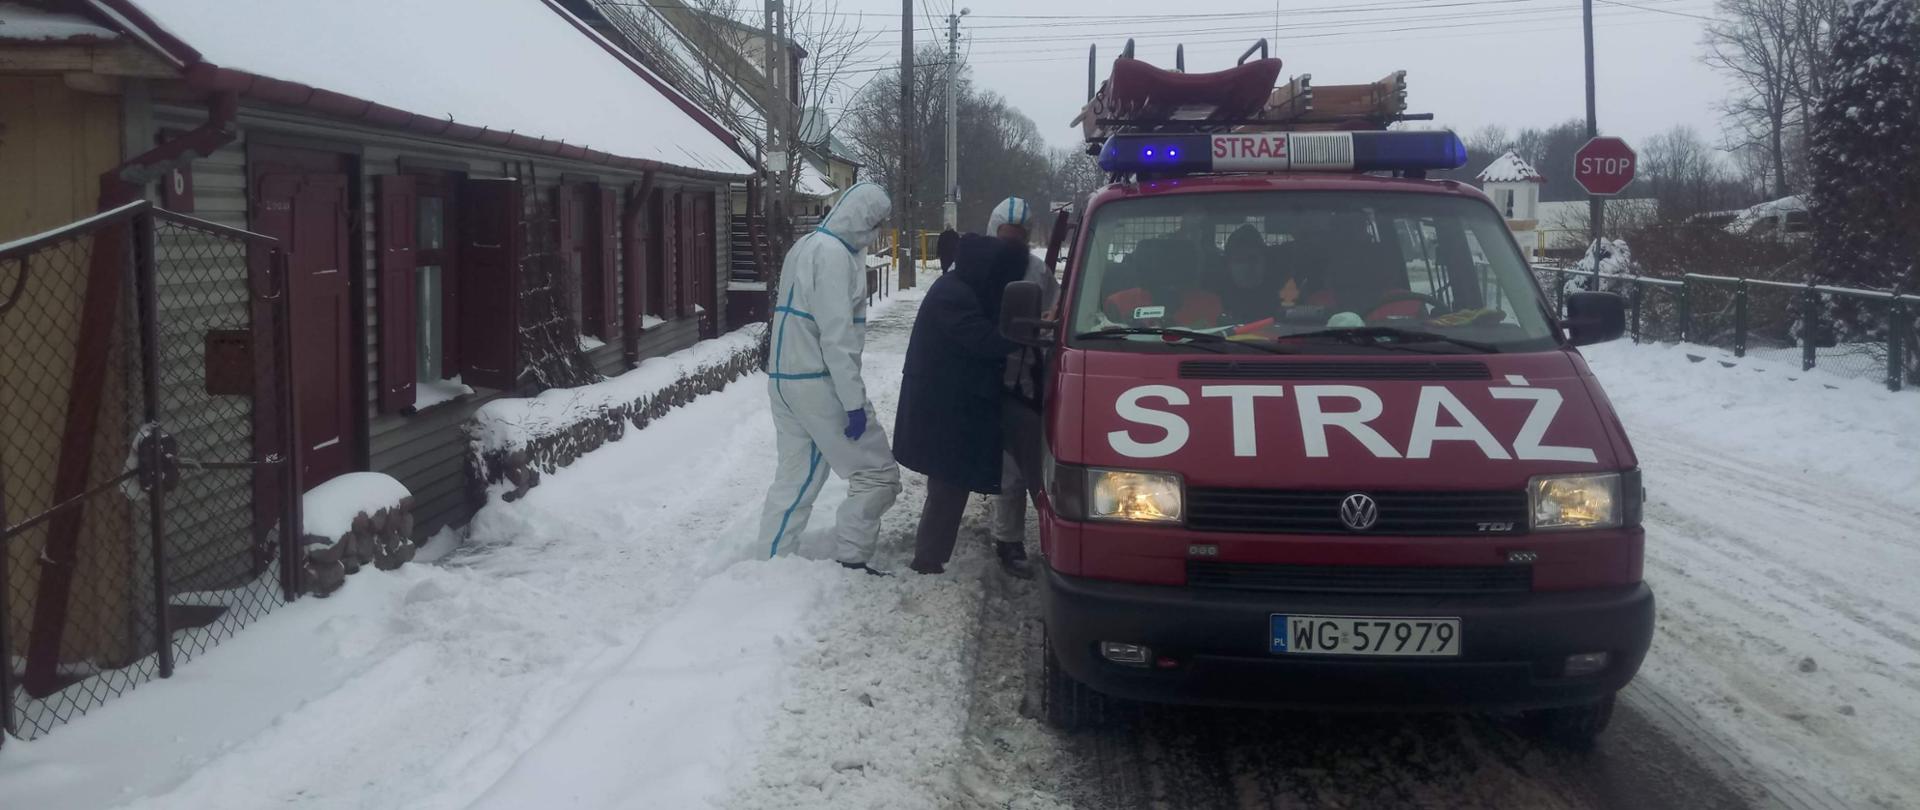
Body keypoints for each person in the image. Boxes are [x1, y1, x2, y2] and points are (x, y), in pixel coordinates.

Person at [758, 183, 903, 576]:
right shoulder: (835, 256)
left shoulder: (804, 246)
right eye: (876, 226)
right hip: (820, 384)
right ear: (864, 222)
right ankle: (852, 558)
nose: (876, 236)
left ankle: (769, 566)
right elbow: (836, 339)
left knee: (795, 478)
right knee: (878, 476)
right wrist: (853, 404)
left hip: (785, 380)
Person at [893, 229, 1032, 575]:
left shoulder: (962, 287)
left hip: (954, 400)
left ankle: (931, 555)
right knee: (947, 480)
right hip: (943, 406)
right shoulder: (952, 295)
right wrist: (1023, 336)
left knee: (949, 479)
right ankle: (927, 560)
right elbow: (983, 340)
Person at [984, 198, 1057, 578]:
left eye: (1018, 237)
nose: (1011, 243)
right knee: (997, 467)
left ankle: (1022, 539)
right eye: (1005, 236)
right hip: (987, 375)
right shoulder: (981, 268)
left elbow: (1055, 312)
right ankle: (1006, 538)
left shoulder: (1038, 271)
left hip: (1026, 378)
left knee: (1024, 466)